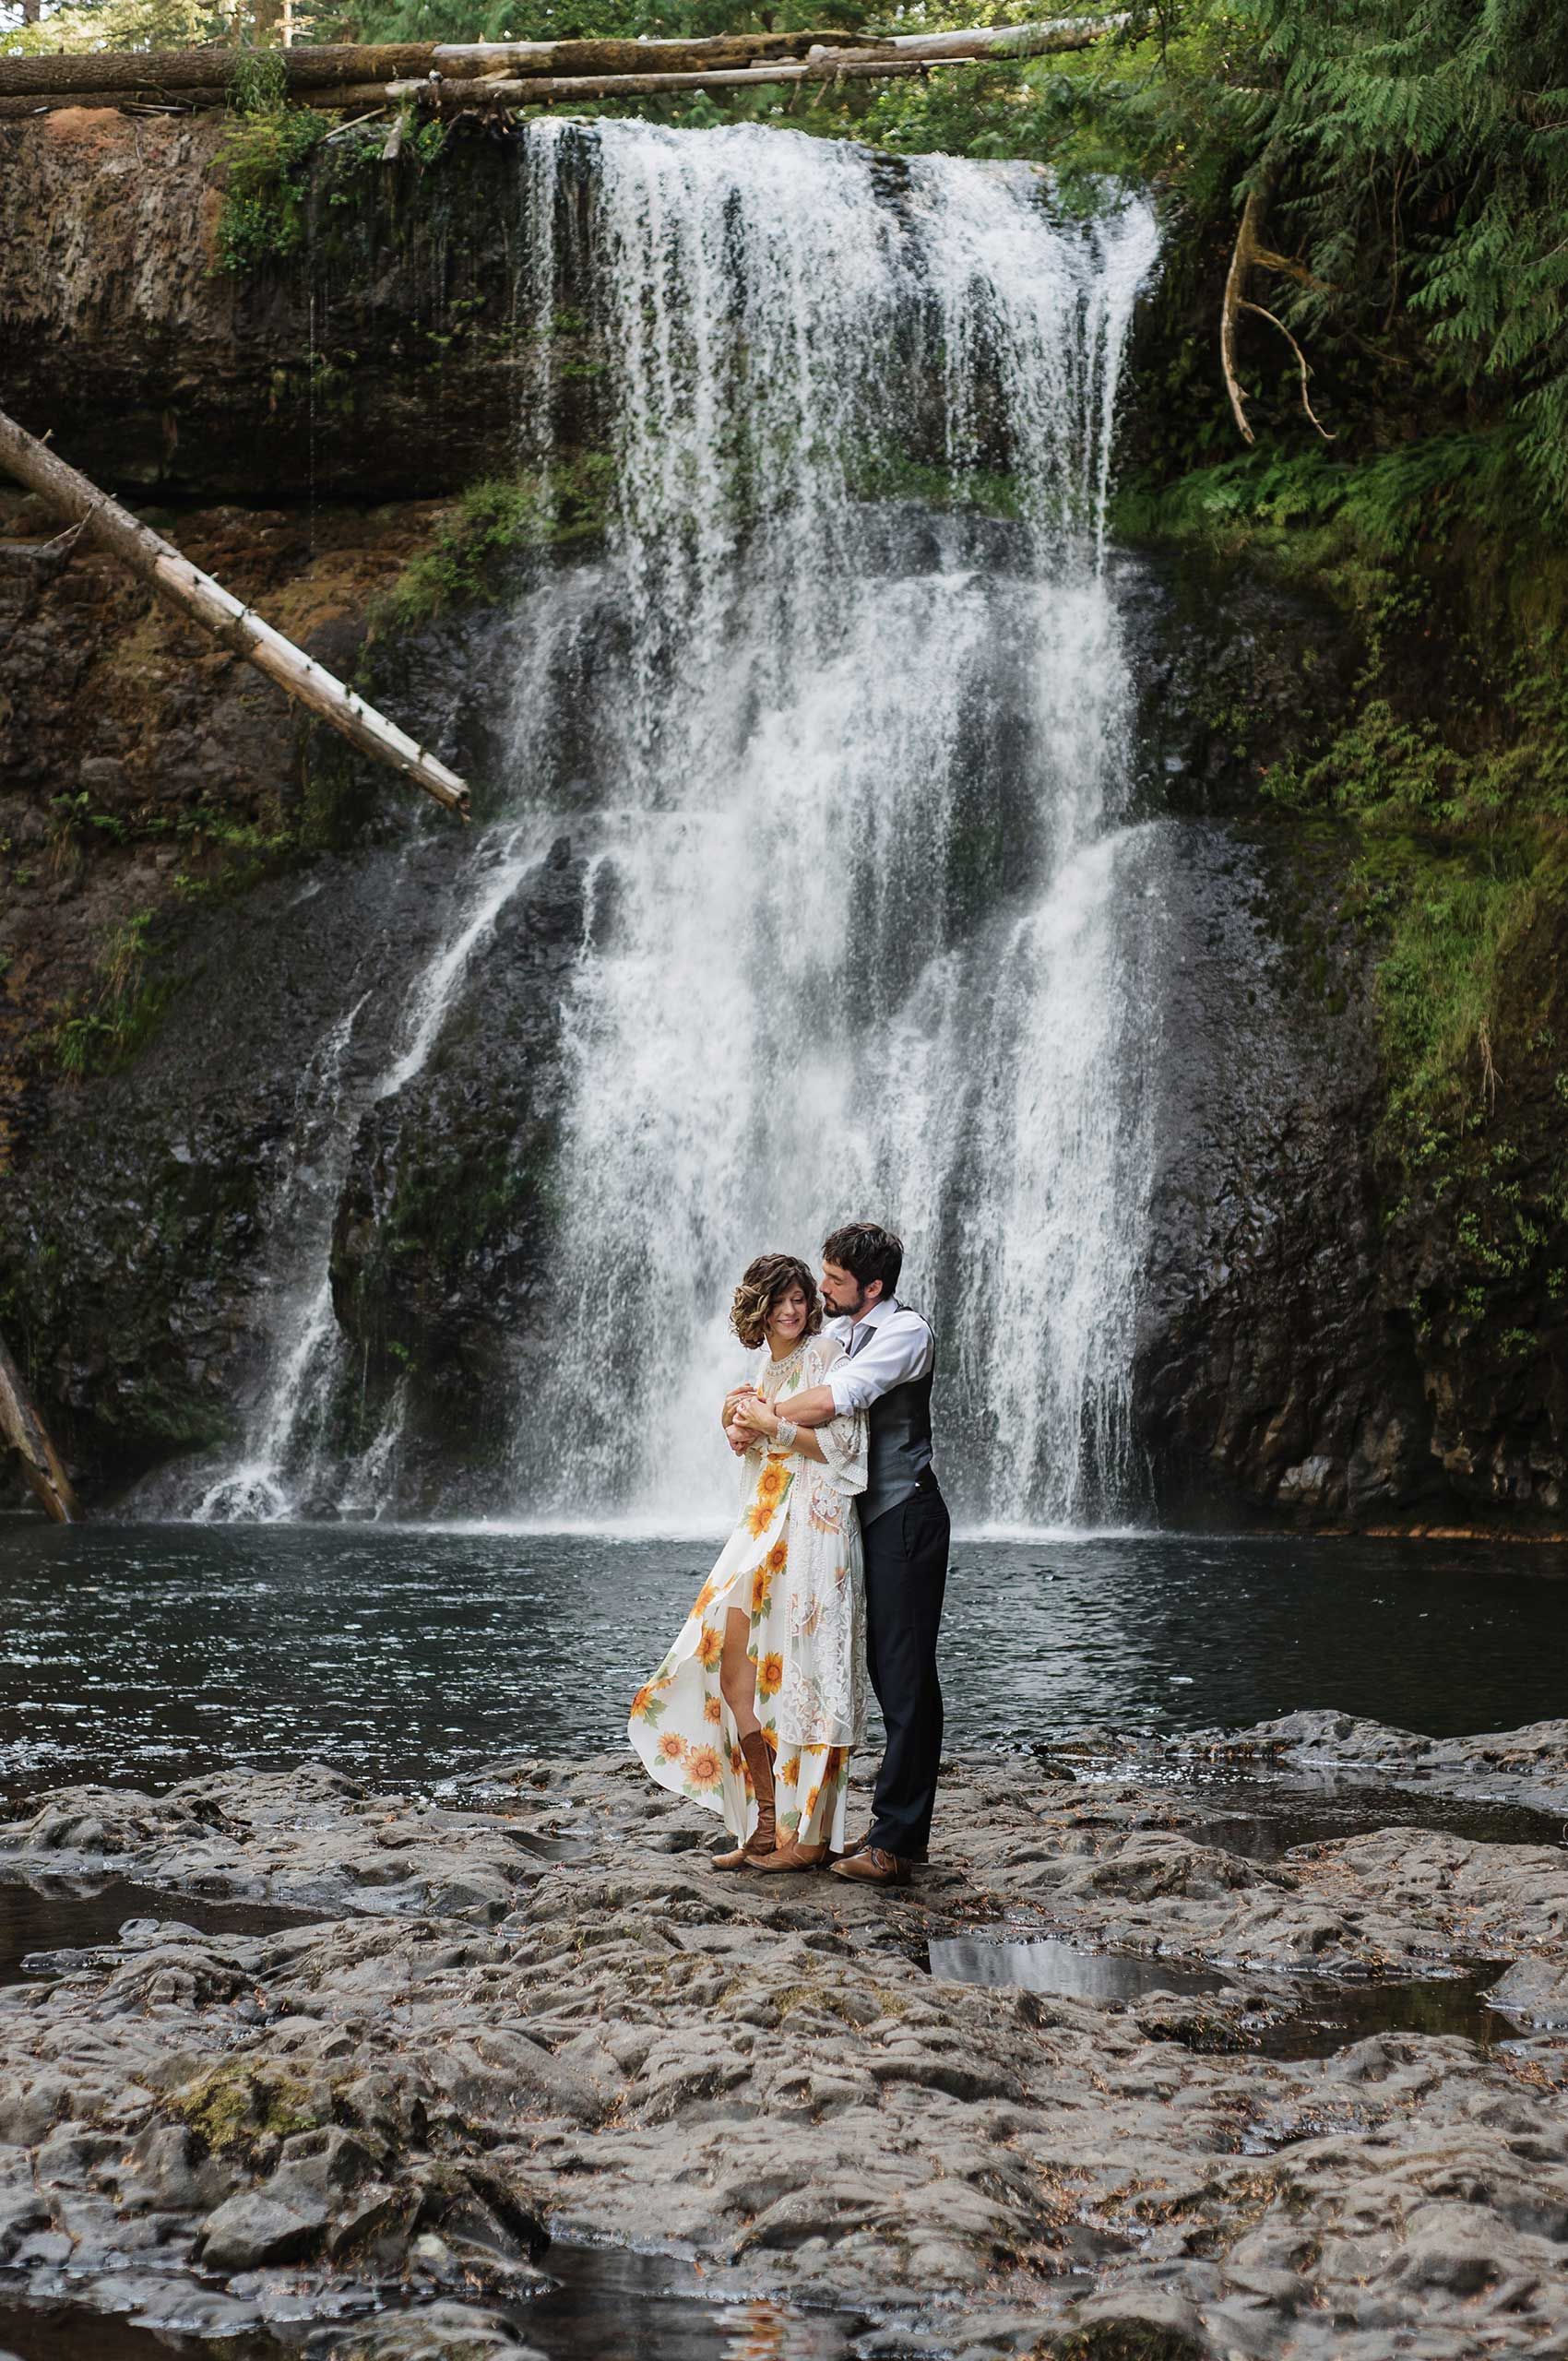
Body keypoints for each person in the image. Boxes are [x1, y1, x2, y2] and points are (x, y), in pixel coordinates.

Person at [726, 1222, 948, 1889]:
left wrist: (760, 1417)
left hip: (904, 1512)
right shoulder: (844, 1333)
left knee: (905, 1677)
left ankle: (898, 1843)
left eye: (833, 1281)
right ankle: (875, 1830)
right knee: (880, 1669)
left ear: (872, 1287)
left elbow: (836, 1401)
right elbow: (804, 1374)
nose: (819, 1292)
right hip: (862, 1519)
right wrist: (742, 1410)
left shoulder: (903, 1332)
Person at [629, 1253, 868, 1871]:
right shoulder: (761, 1369)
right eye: (779, 1300)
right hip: (760, 1532)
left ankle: (803, 1834)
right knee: (734, 1675)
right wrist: (740, 1432)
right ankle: (765, 1822)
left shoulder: (826, 1358)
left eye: (799, 1298)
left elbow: (846, 1451)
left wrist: (770, 1426)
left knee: (805, 1681)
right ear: (757, 1307)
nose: (792, 1310)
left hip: (810, 1536)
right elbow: (761, 1459)